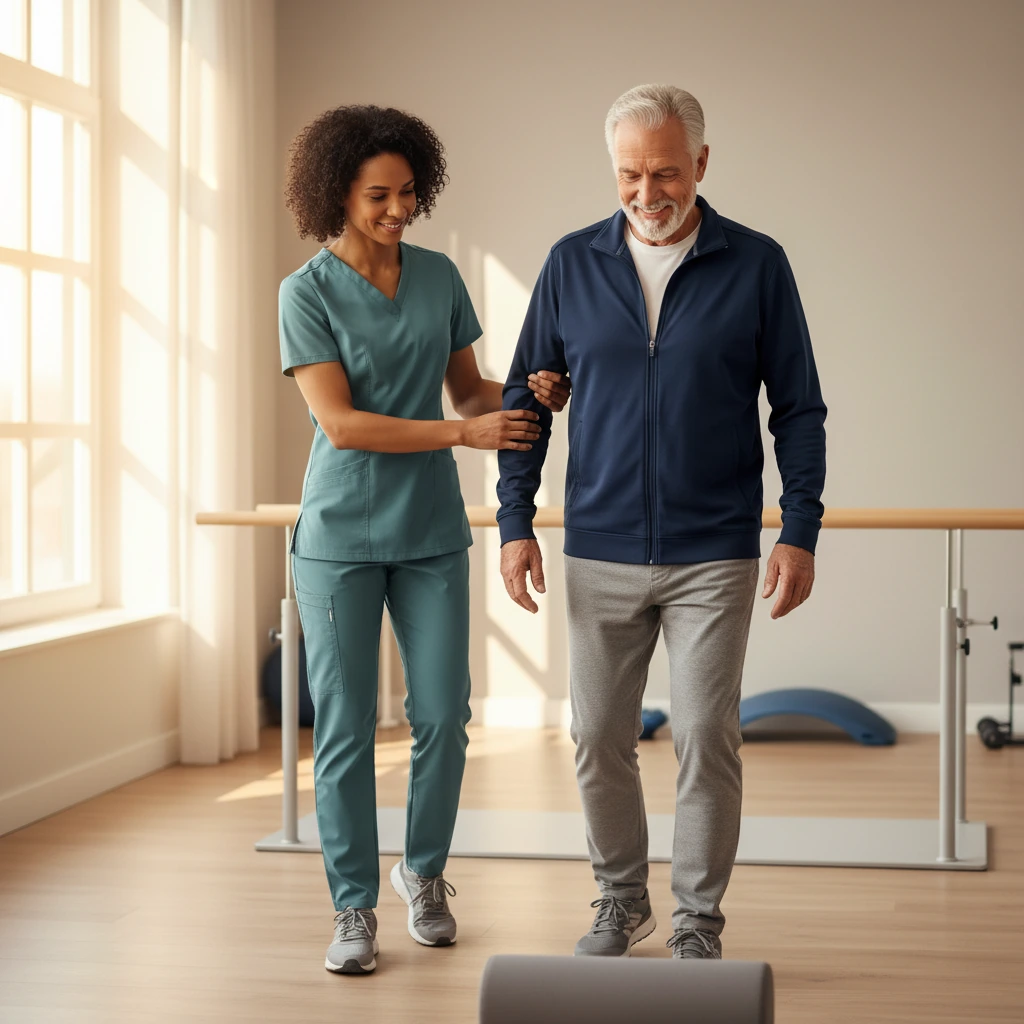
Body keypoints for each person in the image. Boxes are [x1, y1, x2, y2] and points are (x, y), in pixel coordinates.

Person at [497, 84, 827, 959]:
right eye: (630, 175)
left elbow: (797, 408)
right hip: (597, 547)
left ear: (703, 166)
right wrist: (514, 522)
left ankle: (696, 922)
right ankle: (619, 901)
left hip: (713, 552)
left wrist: (799, 528)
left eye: (667, 172)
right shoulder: (571, 264)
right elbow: (525, 399)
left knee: (706, 741)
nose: (648, 193)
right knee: (598, 737)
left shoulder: (757, 265)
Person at [280, 104, 570, 974]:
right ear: (339, 194)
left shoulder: (440, 276)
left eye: (409, 192)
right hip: (337, 538)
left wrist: (528, 395)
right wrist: (461, 434)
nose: (398, 209)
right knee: (347, 727)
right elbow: (341, 424)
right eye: (379, 195)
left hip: (431, 532)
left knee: (445, 715)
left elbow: (471, 393)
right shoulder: (307, 292)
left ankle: (425, 875)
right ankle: (353, 905)